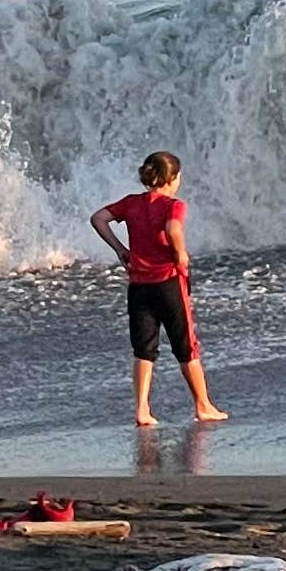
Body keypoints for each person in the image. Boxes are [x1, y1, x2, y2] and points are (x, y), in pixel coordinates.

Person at [92, 150, 228, 429]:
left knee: (144, 349)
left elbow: (98, 218)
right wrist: (180, 255)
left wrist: (121, 250)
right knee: (186, 346)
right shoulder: (172, 205)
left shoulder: (131, 203)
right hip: (168, 282)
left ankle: (142, 409)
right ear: (172, 178)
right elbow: (174, 229)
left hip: (139, 286)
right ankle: (203, 405)